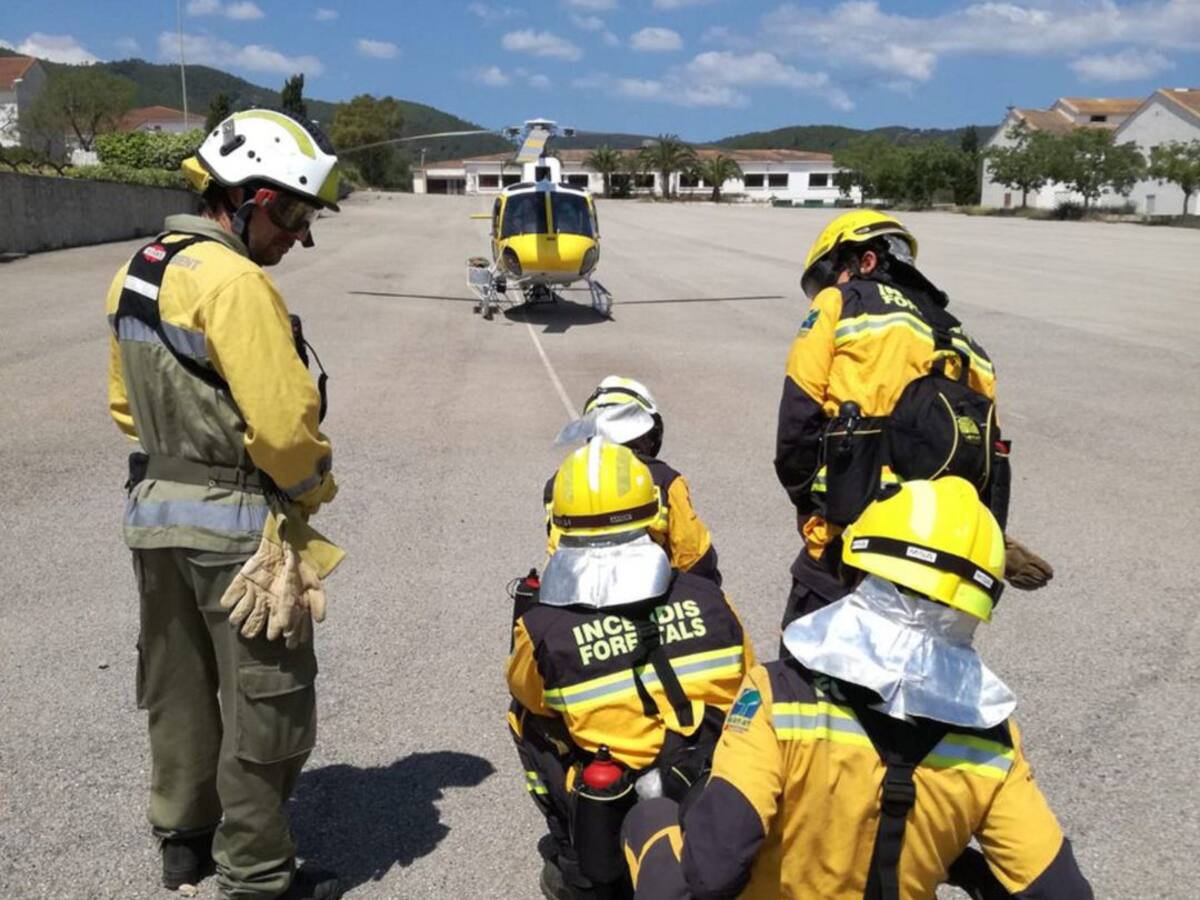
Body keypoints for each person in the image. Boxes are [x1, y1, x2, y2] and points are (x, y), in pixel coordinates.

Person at [621, 477, 1093, 900]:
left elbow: (712, 870)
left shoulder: (779, 694)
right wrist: (958, 861)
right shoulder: (992, 739)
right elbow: (1062, 891)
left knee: (649, 818)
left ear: (858, 567)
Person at [106, 110, 343, 900]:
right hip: (239, 526)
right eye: (295, 215)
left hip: (154, 517)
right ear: (249, 197)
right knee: (265, 708)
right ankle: (258, 877)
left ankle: (185, 840)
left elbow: (124, 409)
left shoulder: (138, 268)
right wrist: (314, 489)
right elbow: (281, 427)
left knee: (176, 687)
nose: (299, 238)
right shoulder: (237, 281)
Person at [774, 210, 1052, 634]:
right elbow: (989, 455)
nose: (826, 289)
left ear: (865, 261)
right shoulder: (965, 341)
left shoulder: (841, 304)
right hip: (940, 555)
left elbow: (799, 415)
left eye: (831, 274)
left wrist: (805, 504)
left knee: (806, 672)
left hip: (851, 537)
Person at [509, 438, 755, 899]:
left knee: (525, 720)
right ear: (653, 514)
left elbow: (528, 694)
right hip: (714, 780)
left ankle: (578, 865)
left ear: (557, 522)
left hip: (615, 786)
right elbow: (752, 685)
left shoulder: (542, 627)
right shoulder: (713, 600)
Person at [545, 376, 721, 584]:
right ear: (646, 431)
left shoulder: (559, 481)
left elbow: (557, 548)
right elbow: (694, 556)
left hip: (574, 591)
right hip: (647, 593)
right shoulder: (664, 479)